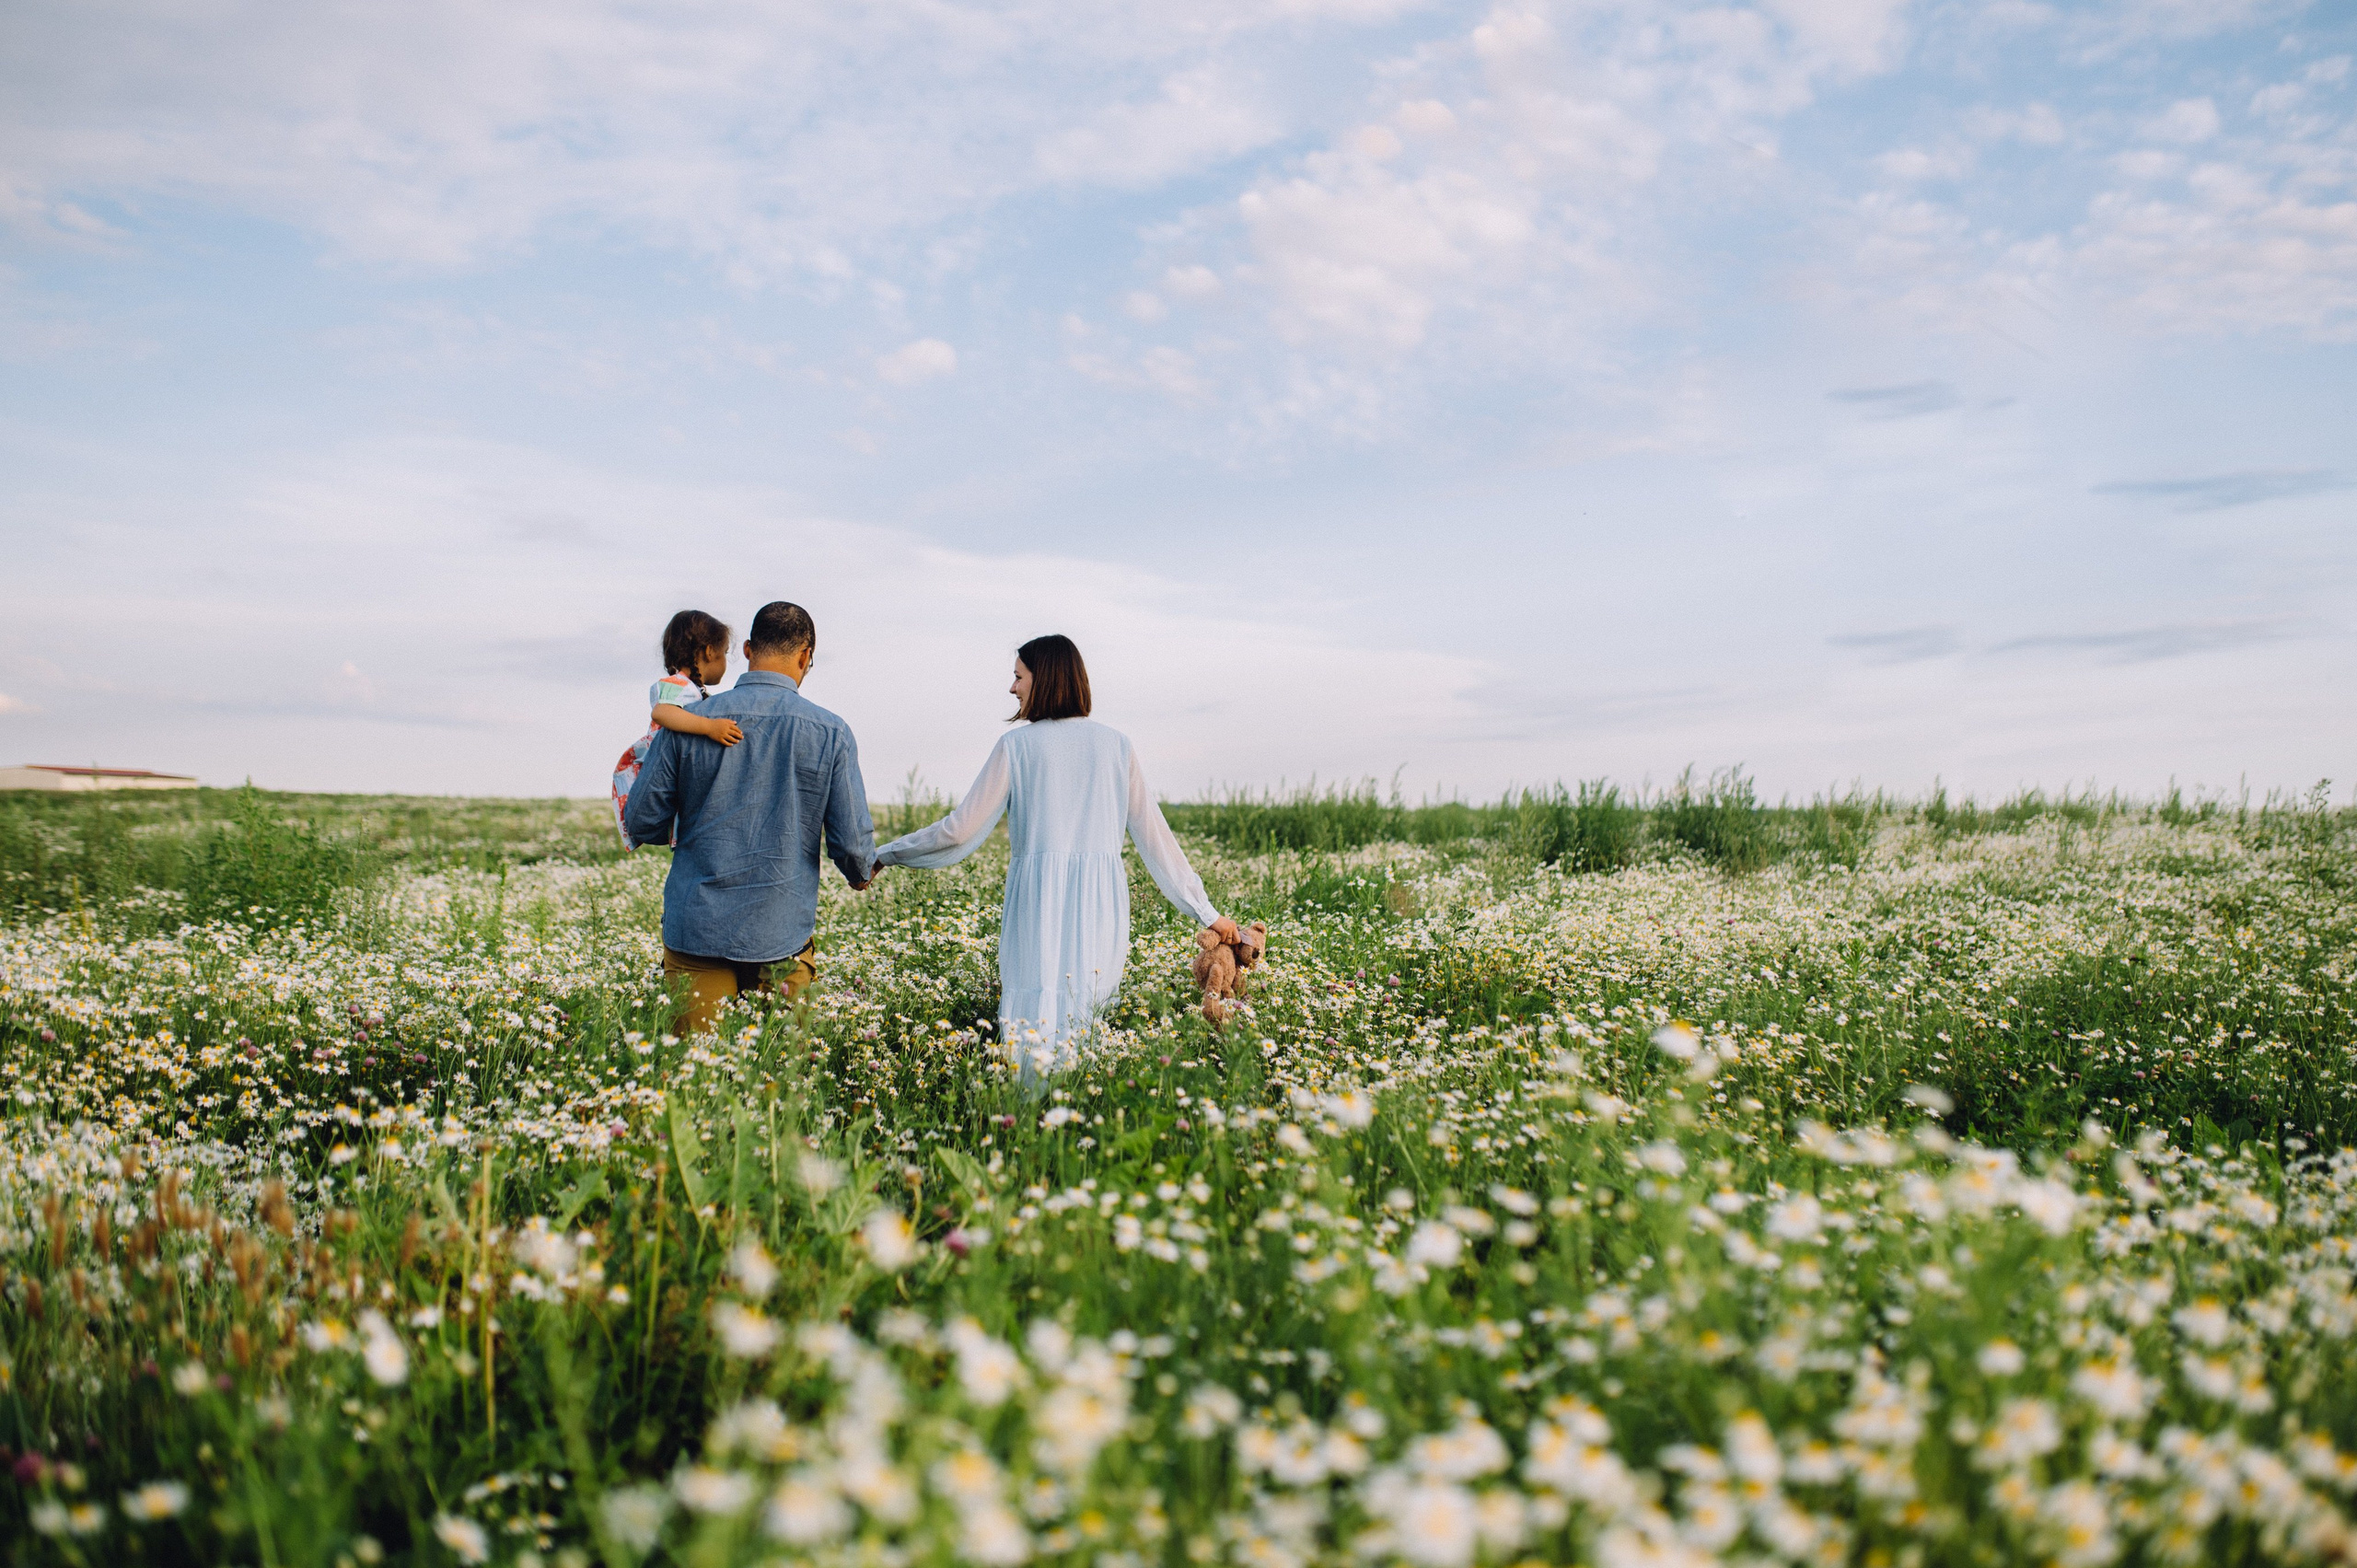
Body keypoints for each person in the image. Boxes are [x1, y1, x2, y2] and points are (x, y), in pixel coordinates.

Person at [873, 633, 1237, 1084]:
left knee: (1034, 1008)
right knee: (1086, 1011)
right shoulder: (1116, 746)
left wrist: (887, 854)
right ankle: (1081, 1112)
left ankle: (1027, 1117)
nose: (1012, 689)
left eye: (1018, 676)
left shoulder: (1018, 748)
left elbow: (959, 830)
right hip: (1100, 905)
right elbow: (1157, 841)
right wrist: (1207, 911)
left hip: (1037, 902)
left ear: (1043, 679)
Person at [621, 600, 878, 1034]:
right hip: (780, 934)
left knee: (695, 1080)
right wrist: (860, 873)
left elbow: (643, 820)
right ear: (804, 656)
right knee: (780, 1082)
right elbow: (852, 844)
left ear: (746, 649)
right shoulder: (831, 731)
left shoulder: (688, 720)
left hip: (695, 929)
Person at [610, 610, 746, 846]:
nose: (725, 662)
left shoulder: (693, 689)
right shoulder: (675, 683)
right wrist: (710, 727)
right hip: (654, 762)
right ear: (708, 651)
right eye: (724, 653)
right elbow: (662, 712)